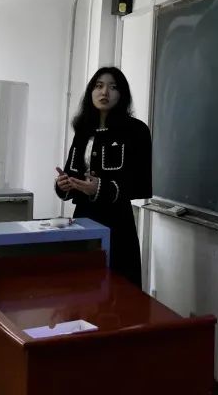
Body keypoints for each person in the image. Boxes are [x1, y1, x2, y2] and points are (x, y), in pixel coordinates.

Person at [55, 67, 152, 287]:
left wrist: (101, 188)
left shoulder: (136, 131)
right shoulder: (83, 131)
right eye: (99, 86)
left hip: (117, 221)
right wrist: (64, 184)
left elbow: (140, 183)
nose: (104, 92)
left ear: (122, 94)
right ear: (91, 92)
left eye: (113, 87)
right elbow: (71, 173)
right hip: (83, 219)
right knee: (82, 285)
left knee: (118, 286)